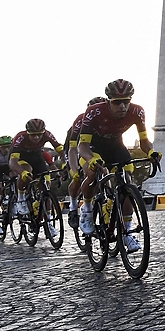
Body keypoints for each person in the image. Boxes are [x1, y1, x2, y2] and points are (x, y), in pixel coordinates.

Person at [76, 80, 158, 252]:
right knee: (92, 172)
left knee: (127, 182)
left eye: (126, 101)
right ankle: (87, 209)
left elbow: (144, 141)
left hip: (116, 146)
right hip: (93, 147)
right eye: (117, 102)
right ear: (108, 101)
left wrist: (151, 153)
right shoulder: (94, 112)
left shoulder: (137, 111)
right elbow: (81, 146)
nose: (122, 106)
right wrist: (90, 159)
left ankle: (127, 231)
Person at [9, 119, 64, 220]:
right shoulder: (20, 137)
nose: (37, 137)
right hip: (21, 158)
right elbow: (13, 162)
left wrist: (64, 163)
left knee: (46, 187)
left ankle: (48, 218)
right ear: (27, 133)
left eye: (39, 134)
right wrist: (22, 172)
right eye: (33, 135)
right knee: (27, 170)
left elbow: (59, 149)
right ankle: (21, 198)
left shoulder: (47, 134)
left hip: (37, 158)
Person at [65, 96, 106, 230]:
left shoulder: (110, 118)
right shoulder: (81, 120)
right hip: (77, 147)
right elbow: (72, 149)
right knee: (81, 175)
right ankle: (73, 205)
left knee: (107, 171)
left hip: (101, 147)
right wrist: (74, 170)